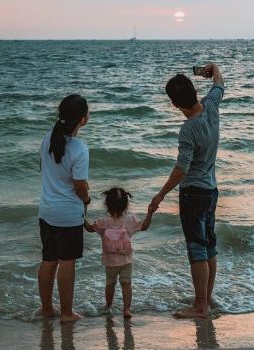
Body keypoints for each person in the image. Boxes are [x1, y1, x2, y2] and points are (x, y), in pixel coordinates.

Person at [149, 63, 225, 319]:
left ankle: (200, 306)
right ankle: (205, 298)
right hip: (212, 190)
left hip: (193, 193)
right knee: (209, 246)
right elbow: (218, 82)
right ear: (194, 91)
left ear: (174, 104)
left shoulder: (188, 129)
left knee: (197, 249)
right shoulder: (212, 106)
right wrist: (209, 68)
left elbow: (182, 168)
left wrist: (160, 195)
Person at [37, 94, 91, 322]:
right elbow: (79, 186)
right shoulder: (79, 148)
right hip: (68, 214)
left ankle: (47, 308)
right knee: (67, 262)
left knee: (49, 260)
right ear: (82, 119)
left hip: (47, 210)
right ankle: (67, 313)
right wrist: (87, 199)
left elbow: (44, 169)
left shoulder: (47, 139)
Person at [84, 187, 153, 318]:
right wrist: (150, 212)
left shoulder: (103, 221)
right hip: (126, 261)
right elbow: (144, 226)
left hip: (109, 262)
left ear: (107, 204)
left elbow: (89, 228)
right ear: (126, 205)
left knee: (110, 284)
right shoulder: (130, 219)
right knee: (126, 284)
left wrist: (81, 212)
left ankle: (108, 306)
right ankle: (126, 309)